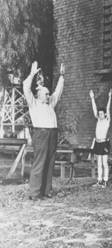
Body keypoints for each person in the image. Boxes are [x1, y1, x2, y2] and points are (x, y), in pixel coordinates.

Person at [23, 61, 64, 200]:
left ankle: (46, 191)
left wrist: (62, 76)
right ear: (38, 94)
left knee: (50, 162)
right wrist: (32, 74)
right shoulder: (33, 103)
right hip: (41, 134)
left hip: (52, 134)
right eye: (46, 94)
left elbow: (58, 92)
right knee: (40, 162)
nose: (48, 96)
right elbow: (25, 87)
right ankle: (35, 193)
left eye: (48, 94)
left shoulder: (50, 104)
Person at [89, 89, 112, 188]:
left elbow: (108, 108)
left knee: (104, 163)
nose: (100, 115)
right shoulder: (98, 120)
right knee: (99, 163)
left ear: (105, 114)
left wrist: (110, 97)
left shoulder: (107, 121)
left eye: (102, 114)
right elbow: (94, 109)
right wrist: (92, 98)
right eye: (99, 114)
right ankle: (99, 180)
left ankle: (106, 181)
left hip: (104, 144)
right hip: (98, 143)